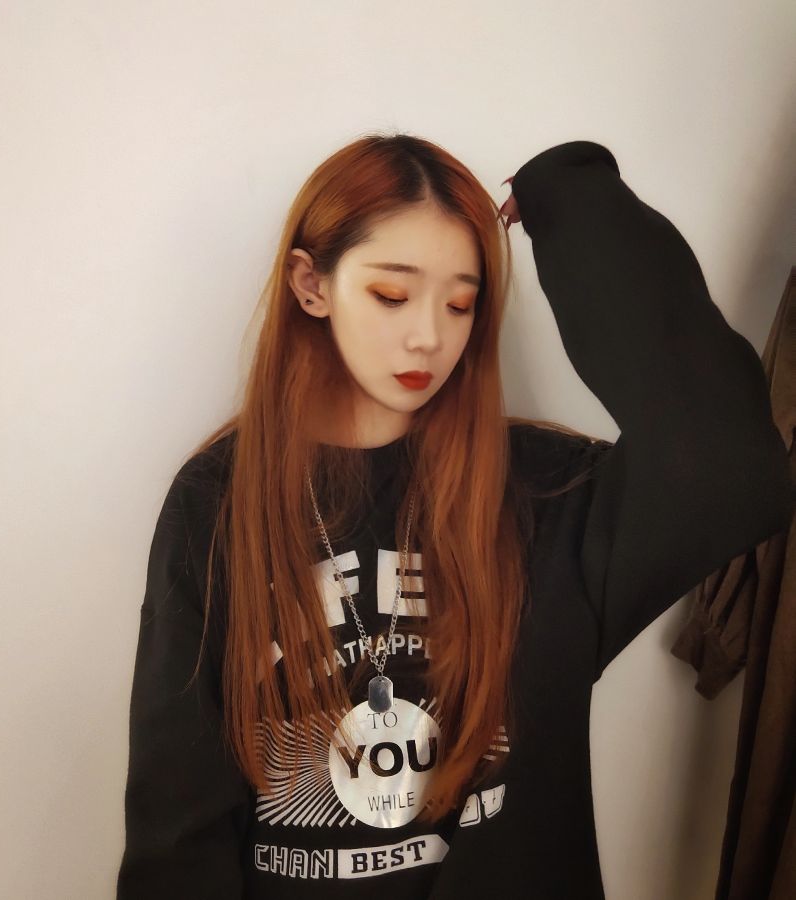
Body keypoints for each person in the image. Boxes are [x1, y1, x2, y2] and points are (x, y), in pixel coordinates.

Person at [115, 135, 793, 899]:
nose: (430, 336)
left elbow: (734, 470)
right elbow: (178, 829)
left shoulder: (545, 496)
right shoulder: (219, 501)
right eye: (392, 295)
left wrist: (570, 197)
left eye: (461, 302)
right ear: (311, 285)